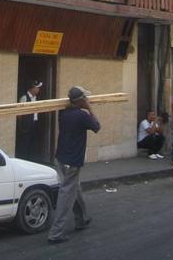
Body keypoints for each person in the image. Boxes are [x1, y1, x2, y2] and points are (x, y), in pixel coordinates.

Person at [47, 86, 100, 245]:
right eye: (85, 99)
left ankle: (81, 218)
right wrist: (89, 107)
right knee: (66, 194)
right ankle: (56, 233)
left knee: (74, 187)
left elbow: (70, 108)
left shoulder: (63, 113)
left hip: (62, 158)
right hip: (72, 161)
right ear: (81, 101)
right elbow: (97, 126)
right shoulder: (82, 116)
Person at [16, 80, 43, 161]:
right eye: (37, 88)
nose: (39, 90)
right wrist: (22, 127)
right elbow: (19, 114)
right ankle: (24, 160)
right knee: (25, 144)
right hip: (26, 126)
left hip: (34, 124)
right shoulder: (24, 98)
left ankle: (31, 160)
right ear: (33, 88)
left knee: (33, 144)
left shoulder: (36, 98)